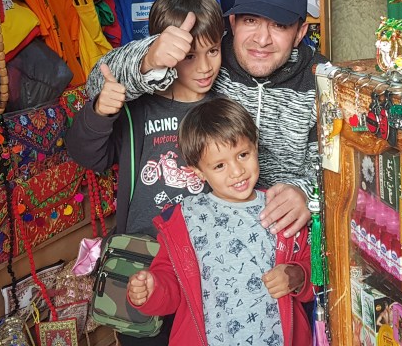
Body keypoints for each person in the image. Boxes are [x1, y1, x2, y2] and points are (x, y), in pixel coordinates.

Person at [87, 0, 326, 238]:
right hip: (205, 231)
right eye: (250, 21)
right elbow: (96, 83)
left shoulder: (323, 82)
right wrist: (148, 58)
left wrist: (306, 194)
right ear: (233, 23)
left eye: (279, 26)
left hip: (277, 234)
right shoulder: (204, 57)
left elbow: (339, 168)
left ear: (300, 32)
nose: (262, 39)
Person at [68, 0, 224, 346]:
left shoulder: (223, 107)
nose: (204, 67)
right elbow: (86, 155)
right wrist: (99, 113)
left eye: (213, 51)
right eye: (189, 56)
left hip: (207, 265)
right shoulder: (137, 106)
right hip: (142, 264)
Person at [126, 97, 314, 346]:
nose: (237, 172)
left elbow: (316, 270)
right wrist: (152, 289)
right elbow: (170, 286)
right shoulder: (184, 220)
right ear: (198, 172)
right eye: (219, 165)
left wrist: (297, 275)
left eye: (243, 154)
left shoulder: (280, 208)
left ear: (256, 146)